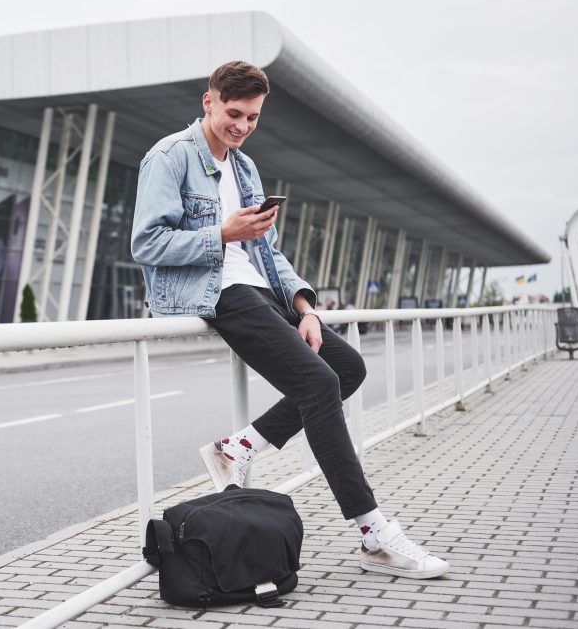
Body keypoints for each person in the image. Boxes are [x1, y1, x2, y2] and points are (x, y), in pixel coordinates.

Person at [130, 60, 449, 579]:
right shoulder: (168, 157)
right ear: (208, 102)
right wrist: (221, 235)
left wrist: (305, 307)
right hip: (215, 291)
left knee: (347, 367)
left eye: (253, 118)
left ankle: (237, 447)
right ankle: (374, 533)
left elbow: (269, 252)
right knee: (318, 384)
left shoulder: (244, 168)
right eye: (234, 113)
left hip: (260, 289)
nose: (242, 126)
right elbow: (147, 243)